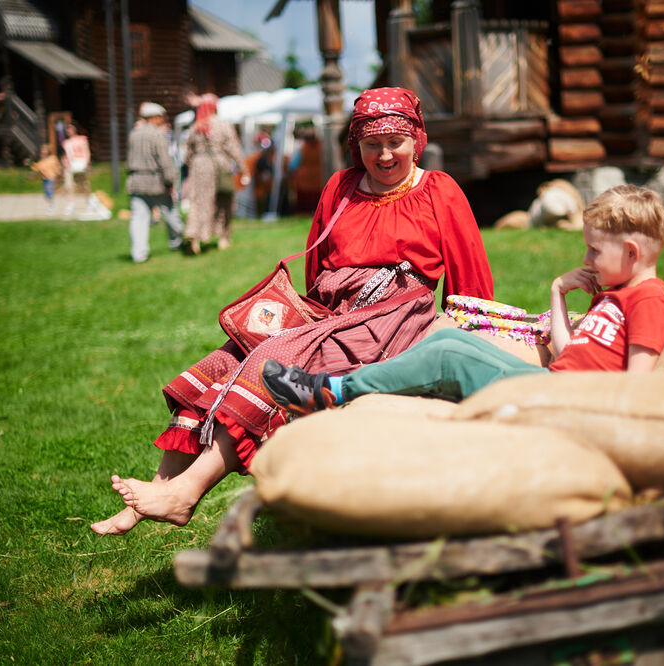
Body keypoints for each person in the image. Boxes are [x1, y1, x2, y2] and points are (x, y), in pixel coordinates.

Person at [91, 87, 494, 536]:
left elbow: (469, 273)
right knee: (223, 360)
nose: (383, 155)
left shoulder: (438, 190)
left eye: (394, 143)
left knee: (270, 363)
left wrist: (466, 337)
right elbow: (317, 265)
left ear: (415, 140)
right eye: (371, 144)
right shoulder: (340, 186)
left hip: (391, 321)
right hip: (329, 311)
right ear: (356, 145)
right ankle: (158, 489)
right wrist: (310, 317)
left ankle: (185, 493)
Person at [261, 185, 664, 413]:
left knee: (448, 358)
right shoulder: (613, 297)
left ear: (631, 254)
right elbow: (564, 352)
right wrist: (559, 290)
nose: (586, 259)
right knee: (449, 341)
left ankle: (333, 390)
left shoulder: (647, 303)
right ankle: (339, 388)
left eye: (594, 251)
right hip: (554, 382)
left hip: (561, 400)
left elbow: (635, 390)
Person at [126, 101, 185, 263]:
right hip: (155, 182)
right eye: (160, 116)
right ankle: (177, 242)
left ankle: (138, 254)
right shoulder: (157, 134)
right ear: (153, 117)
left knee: (139, 218)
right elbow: (165, 160)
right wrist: (171, 180)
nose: (162, 119)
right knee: (171, 212)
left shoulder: (133, 134)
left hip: (136, 182)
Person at [183, 95, 242, 253]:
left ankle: (194, 237)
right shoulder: (223, 125)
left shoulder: (195, 127)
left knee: (199, 202)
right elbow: (233, 148)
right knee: (224, 201)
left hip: (199, 166)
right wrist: (243, 168)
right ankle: (223, 238)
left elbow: (187, 154)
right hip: (220, 164)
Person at [288, 125, 323, 215]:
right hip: (317, 182)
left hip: (304, 183)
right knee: (315, 209)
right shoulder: (321, 148)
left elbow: (292, 166)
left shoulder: (302, 149)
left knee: (303, 210)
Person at [61, 122, 92, 216]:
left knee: (84, 185)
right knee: (69, 186)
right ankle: (70, 204)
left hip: (80, 164)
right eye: (68, 129)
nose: (69, 131)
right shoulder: (66, 142)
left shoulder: (82, 139)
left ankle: (88, 202)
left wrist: (86, 162)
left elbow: (86, 151)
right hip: (70, 166)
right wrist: (64, 161)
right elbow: (66, 154)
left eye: (71, 128)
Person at [28, 144, 61, 213]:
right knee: (46, 194)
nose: (43, 151)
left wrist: (58, 174)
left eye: (44, 150)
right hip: (44, 179)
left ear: (48, 151)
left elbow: (57, 166)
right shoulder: (42, 160)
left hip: (51, 178)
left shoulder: (52, 158)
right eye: (42, 150)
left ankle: (51, 205)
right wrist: (30, 163)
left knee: (50, 192)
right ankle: (51, 203)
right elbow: (36, 167)